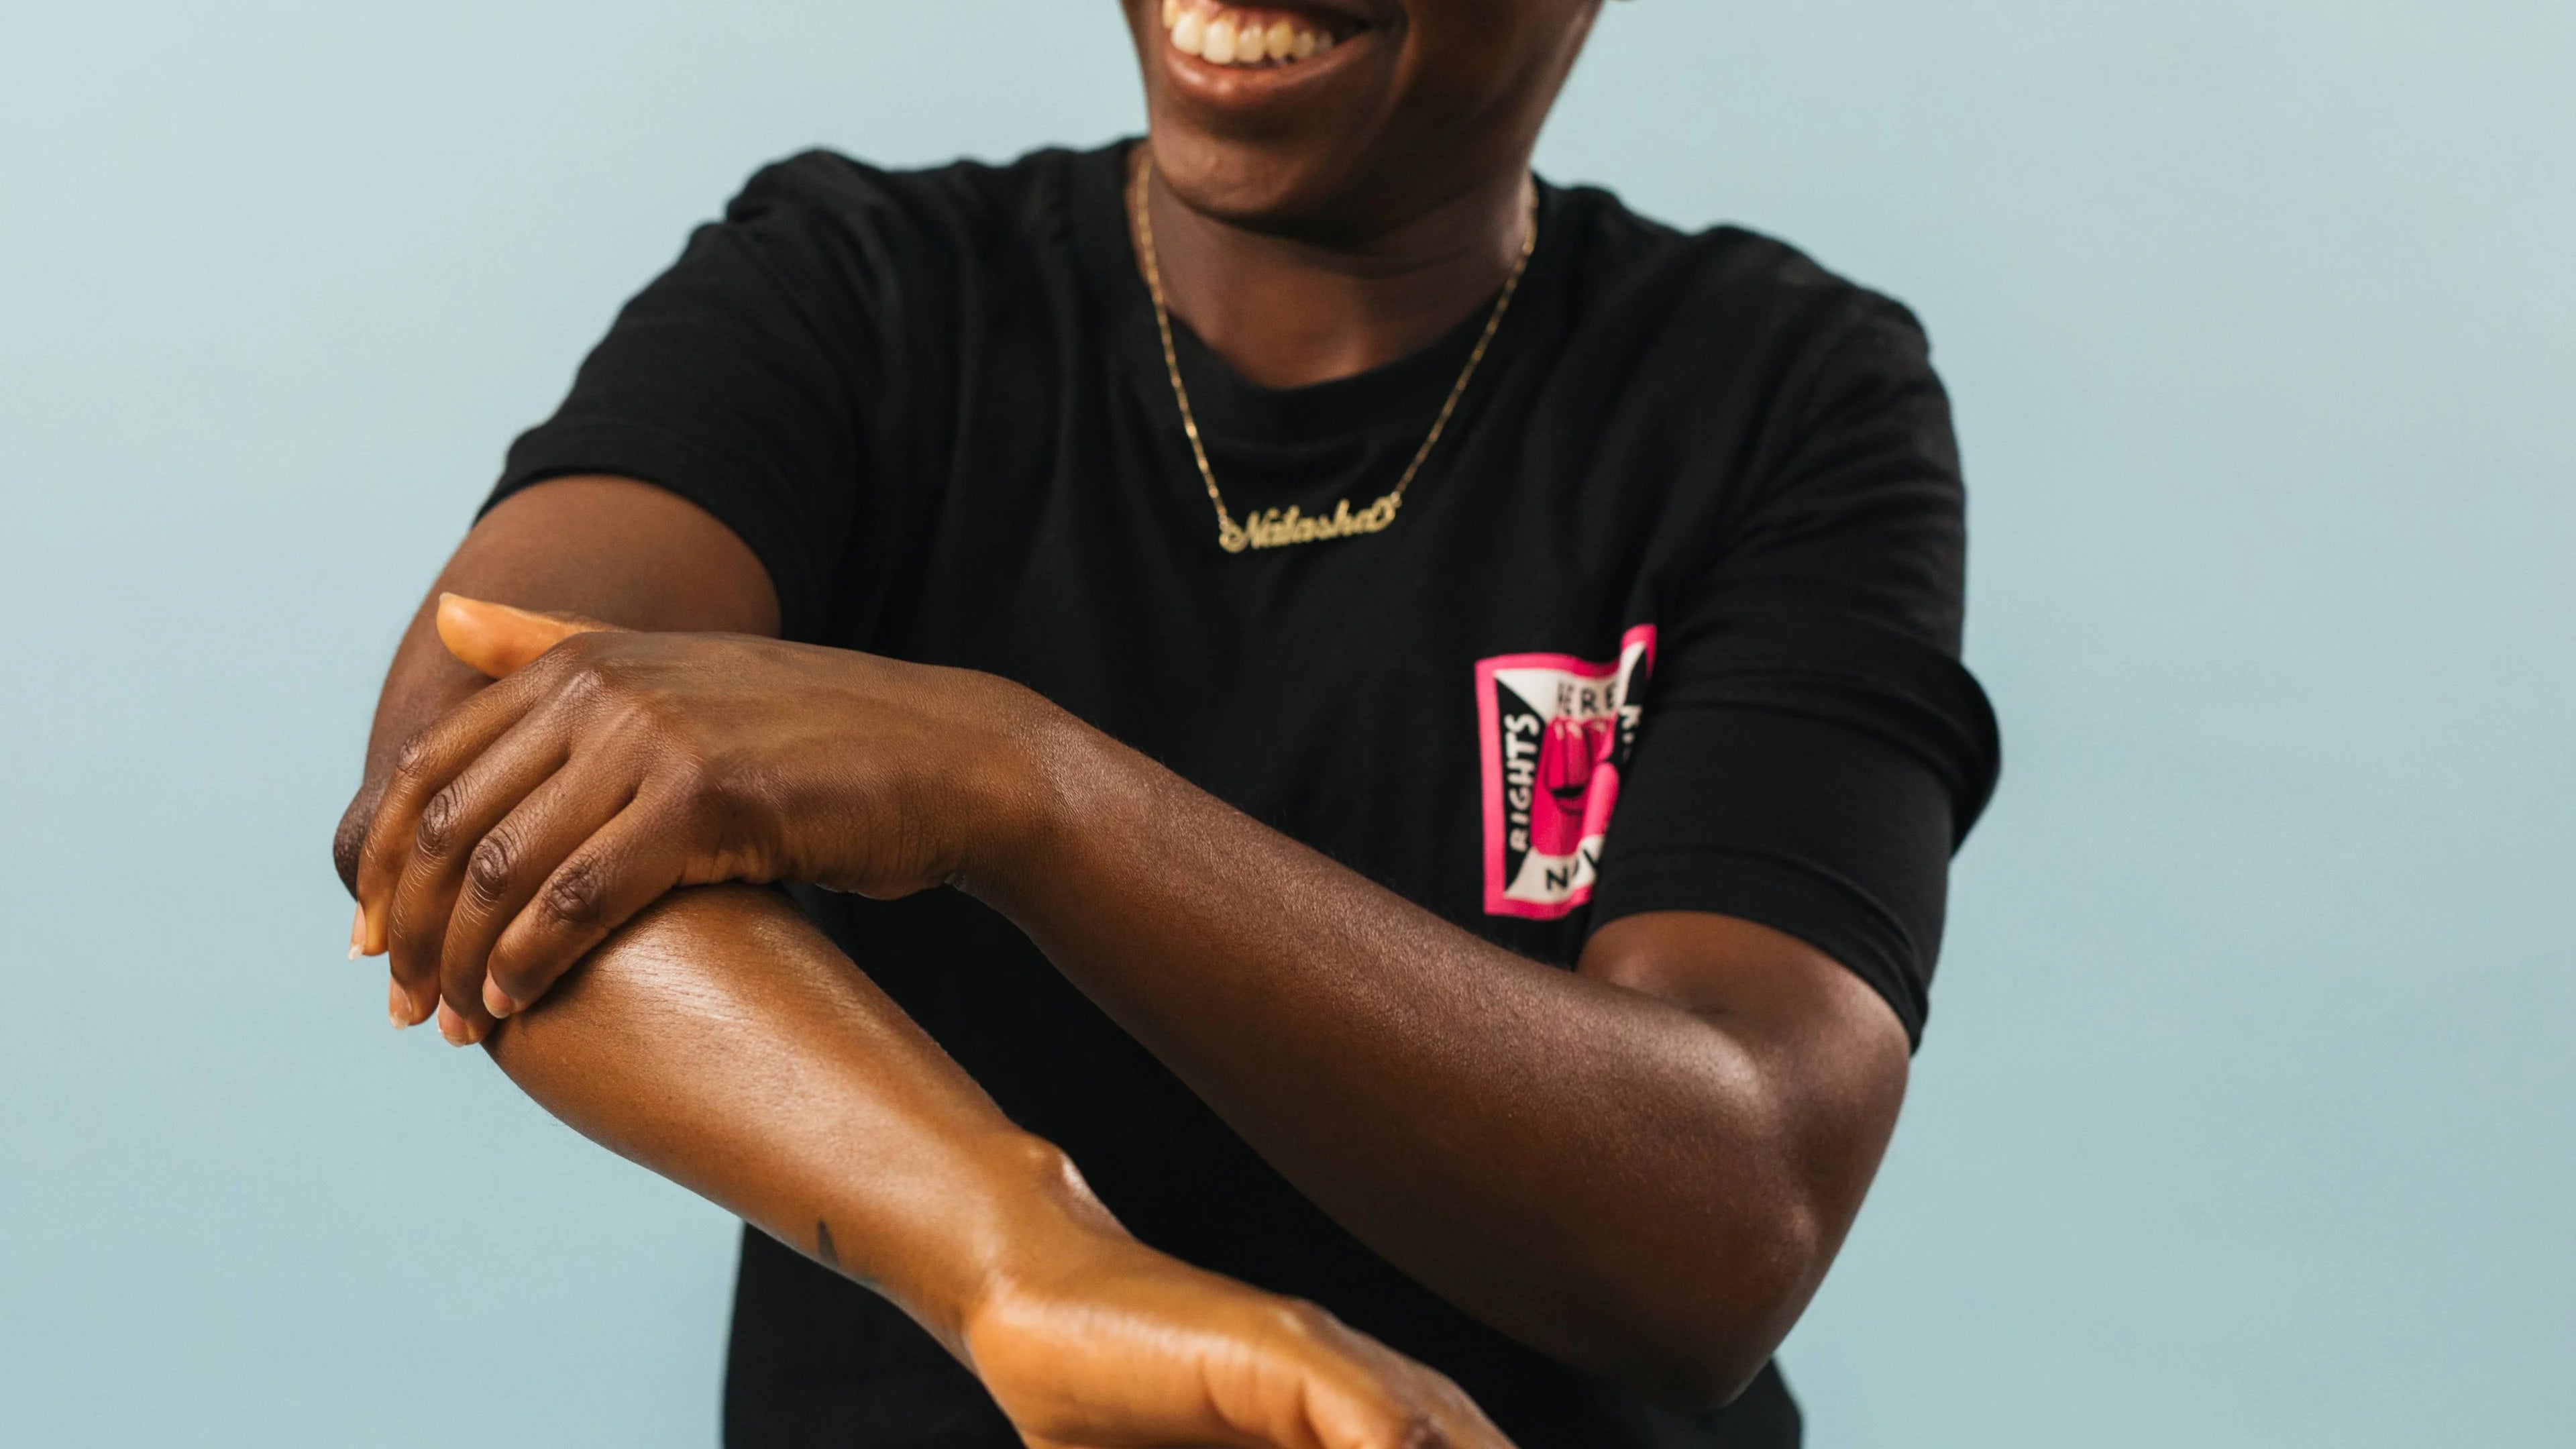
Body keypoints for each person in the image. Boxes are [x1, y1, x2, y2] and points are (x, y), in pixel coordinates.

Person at [335, 2, 2000, 1445]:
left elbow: (1727, 1218)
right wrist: (1021, 1262)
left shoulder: (1782, 397)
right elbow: (466, 788)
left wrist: (1020, 787)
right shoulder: (853, 295)